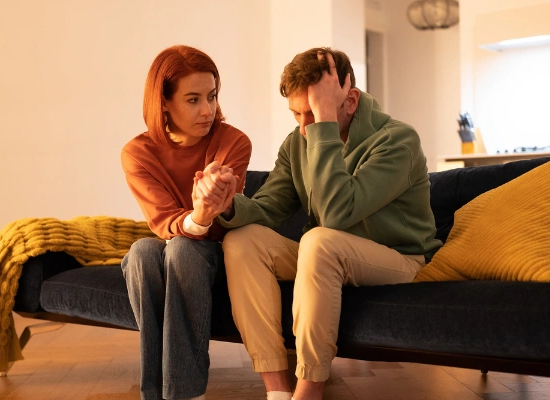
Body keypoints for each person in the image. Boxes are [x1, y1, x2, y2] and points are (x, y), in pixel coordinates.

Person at [195, 47, 442, 400]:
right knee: (243, 240)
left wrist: (325, 124)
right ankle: (278, 391)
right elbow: (268, 208)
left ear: (351, 100)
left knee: (319, 239)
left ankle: (309, 391)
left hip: (398, 259)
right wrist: (228, 203)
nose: (303, 127)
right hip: (328, 256)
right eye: (296, 114)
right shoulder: (297, 142)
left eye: (312, 113)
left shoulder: (397, 140)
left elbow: (338, 213)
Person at [120, 45, 251, 400]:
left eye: (211, 96)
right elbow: (162, 221)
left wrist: (207, 214)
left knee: (180, 248)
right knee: (143, 251)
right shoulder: (138, 153)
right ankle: (156, 393)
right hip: (169, 246)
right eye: (193, 99)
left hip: (213, 255)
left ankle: (185, 393)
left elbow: (224, 223)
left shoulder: (233, 142)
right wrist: (197, 215)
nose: (208, 110)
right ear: (164, 102)